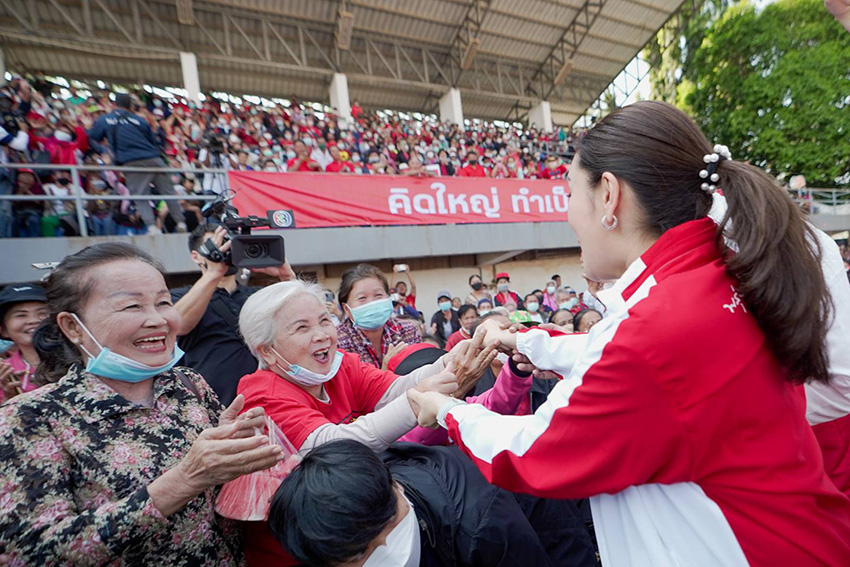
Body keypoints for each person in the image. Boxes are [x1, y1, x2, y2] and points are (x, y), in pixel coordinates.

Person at [408, 101, 850, 566]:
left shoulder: (653, 328)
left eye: (571, 193)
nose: (569, 216)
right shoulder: (720, 273)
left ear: (609, 197)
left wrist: (446, 410)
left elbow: (531, 452)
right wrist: (525, 339)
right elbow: (627, 362)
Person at [0, 242, 282, 564]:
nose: (158, 320)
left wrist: (233, 451)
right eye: (132, 307)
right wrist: (185, 479)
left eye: (163, 302)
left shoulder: (188, 384)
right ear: (73, 327)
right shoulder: (29, 419)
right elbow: (28, 553)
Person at [235, 280, 496, 566]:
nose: (322, 335)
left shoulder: (338, 364)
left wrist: (456, 356)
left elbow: (395, 388)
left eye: (325, 320)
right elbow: (336, 448)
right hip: (301, 551)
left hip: (358, 538)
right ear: (267, 351)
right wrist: (417, 401)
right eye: (302, 328)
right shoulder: (261, 394)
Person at [269, 440, 597, 567]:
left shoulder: (484, 525)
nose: (381, 548)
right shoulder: (360, 486)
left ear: (395, 490)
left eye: (362, 553)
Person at [170, 223, 295, 405]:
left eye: (229, 244)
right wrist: (213, 273)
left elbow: (302, 321)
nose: (224, 250)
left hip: (268, 399)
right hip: (210, 405)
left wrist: (287, 277)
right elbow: (179, 325)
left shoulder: (257, 295)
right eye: (216, 245)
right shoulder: (180, 296)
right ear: (196, 257)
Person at [87, 93, 186, 234]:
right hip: (154, 159)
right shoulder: (140, 120)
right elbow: (153, 141)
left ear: (115, 104)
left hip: (132, 162)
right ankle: (181, 223)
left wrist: (105, 150)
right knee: (168, 192)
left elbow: (92, 137)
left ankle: (152, 227)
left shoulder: (106, 119)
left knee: (140, 195)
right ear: (131, 106)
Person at [336, 264, 422, 367]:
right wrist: (385, 371)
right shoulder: (337, 342)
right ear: (346, 308)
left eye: (378, 295)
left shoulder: (408, 331)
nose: (372, 303)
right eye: (362, 298)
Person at [0, 283, 48, 403]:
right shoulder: (4, 372)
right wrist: (9, 399)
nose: (33, 320)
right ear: (3, 330)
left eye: (42, 313)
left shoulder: (80, 359)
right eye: (21, 315)